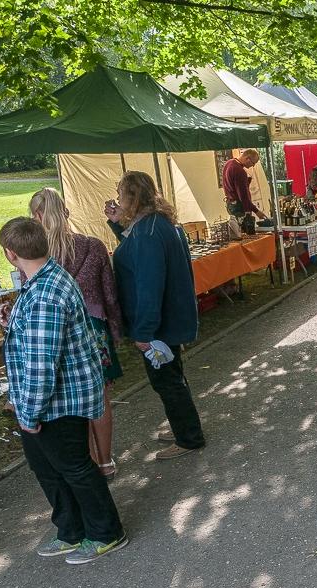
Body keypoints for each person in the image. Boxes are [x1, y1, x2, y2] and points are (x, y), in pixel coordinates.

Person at [0, 217, 128, 564]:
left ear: (11, 254)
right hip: (47, 400)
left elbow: (42, 364)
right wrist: (12, 321)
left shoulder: (45, 294)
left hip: (56, 402)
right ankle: (71, 530)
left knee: (75, 468)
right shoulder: (44, 280)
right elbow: (42, 337)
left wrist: (29, 413)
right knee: (48, 468)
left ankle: (106, 532)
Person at [105, 171, 206, 460]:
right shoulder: (156, 222)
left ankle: (189, 437)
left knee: (167, 381)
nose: (118, 199)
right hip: (168, 318)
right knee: (172, 376)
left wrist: (144, 332)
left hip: (158, 322)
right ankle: (183, 427)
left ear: (132, 197)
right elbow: (134, 248)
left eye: (121, 193)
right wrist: (116, 224)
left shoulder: (150, 230)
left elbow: (149, 285)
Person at [30, 188, 124, 480]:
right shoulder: (93, 246)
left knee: (73, 402)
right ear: (66, 211)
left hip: (57, 335)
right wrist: (116, 329)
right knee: (100, 398)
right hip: (94, 332)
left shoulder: (35, 255)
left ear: (36, 216)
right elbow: (110, 294)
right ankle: (105, 461)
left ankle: (89, 462)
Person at [222, 149, 267, 228]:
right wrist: (256, 211)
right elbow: (243, 196)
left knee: (236, 229)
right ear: (247, 158)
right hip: (238, 207)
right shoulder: (239, 171)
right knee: (244, 231)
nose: (253, 166)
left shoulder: (229, 163)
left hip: (230, 203)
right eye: (253, 163)